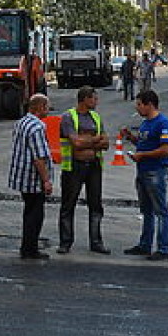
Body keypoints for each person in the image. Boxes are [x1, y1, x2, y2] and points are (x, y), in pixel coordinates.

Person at [120, 89, 168, 260]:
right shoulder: (145, 123)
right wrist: (131, 138)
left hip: (155, 171)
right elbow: (144, 143)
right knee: (147, 210)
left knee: (160, 211)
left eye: (139, 104)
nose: (137, 108)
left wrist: (142, 156)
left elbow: (165, 150)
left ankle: (163, 248)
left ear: (149, 104)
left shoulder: (163, 124)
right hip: (143, 171)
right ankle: (145, 244)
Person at [57, 86, 111, 254]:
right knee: (68, 205)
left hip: (94, 166)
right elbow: (76, 144)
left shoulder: (95, 117)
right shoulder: (68, 117)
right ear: (85, 99)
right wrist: (95, 140)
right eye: (94, 98)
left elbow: (106, 143)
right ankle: (65, 242)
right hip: (74, 167)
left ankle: (96, 242)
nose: (96, 102)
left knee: (96, 205)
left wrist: (87, 141)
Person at [8, 93, 54, 260]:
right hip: (33, 179)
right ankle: (30, 249)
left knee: (28, 212)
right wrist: (46, 180)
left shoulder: (21, 123)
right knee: (35, 214)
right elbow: (39, 157)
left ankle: (26, 247)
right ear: (40, 107)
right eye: (46, 107)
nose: (48, 110)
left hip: (22, 177)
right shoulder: (37, 127)